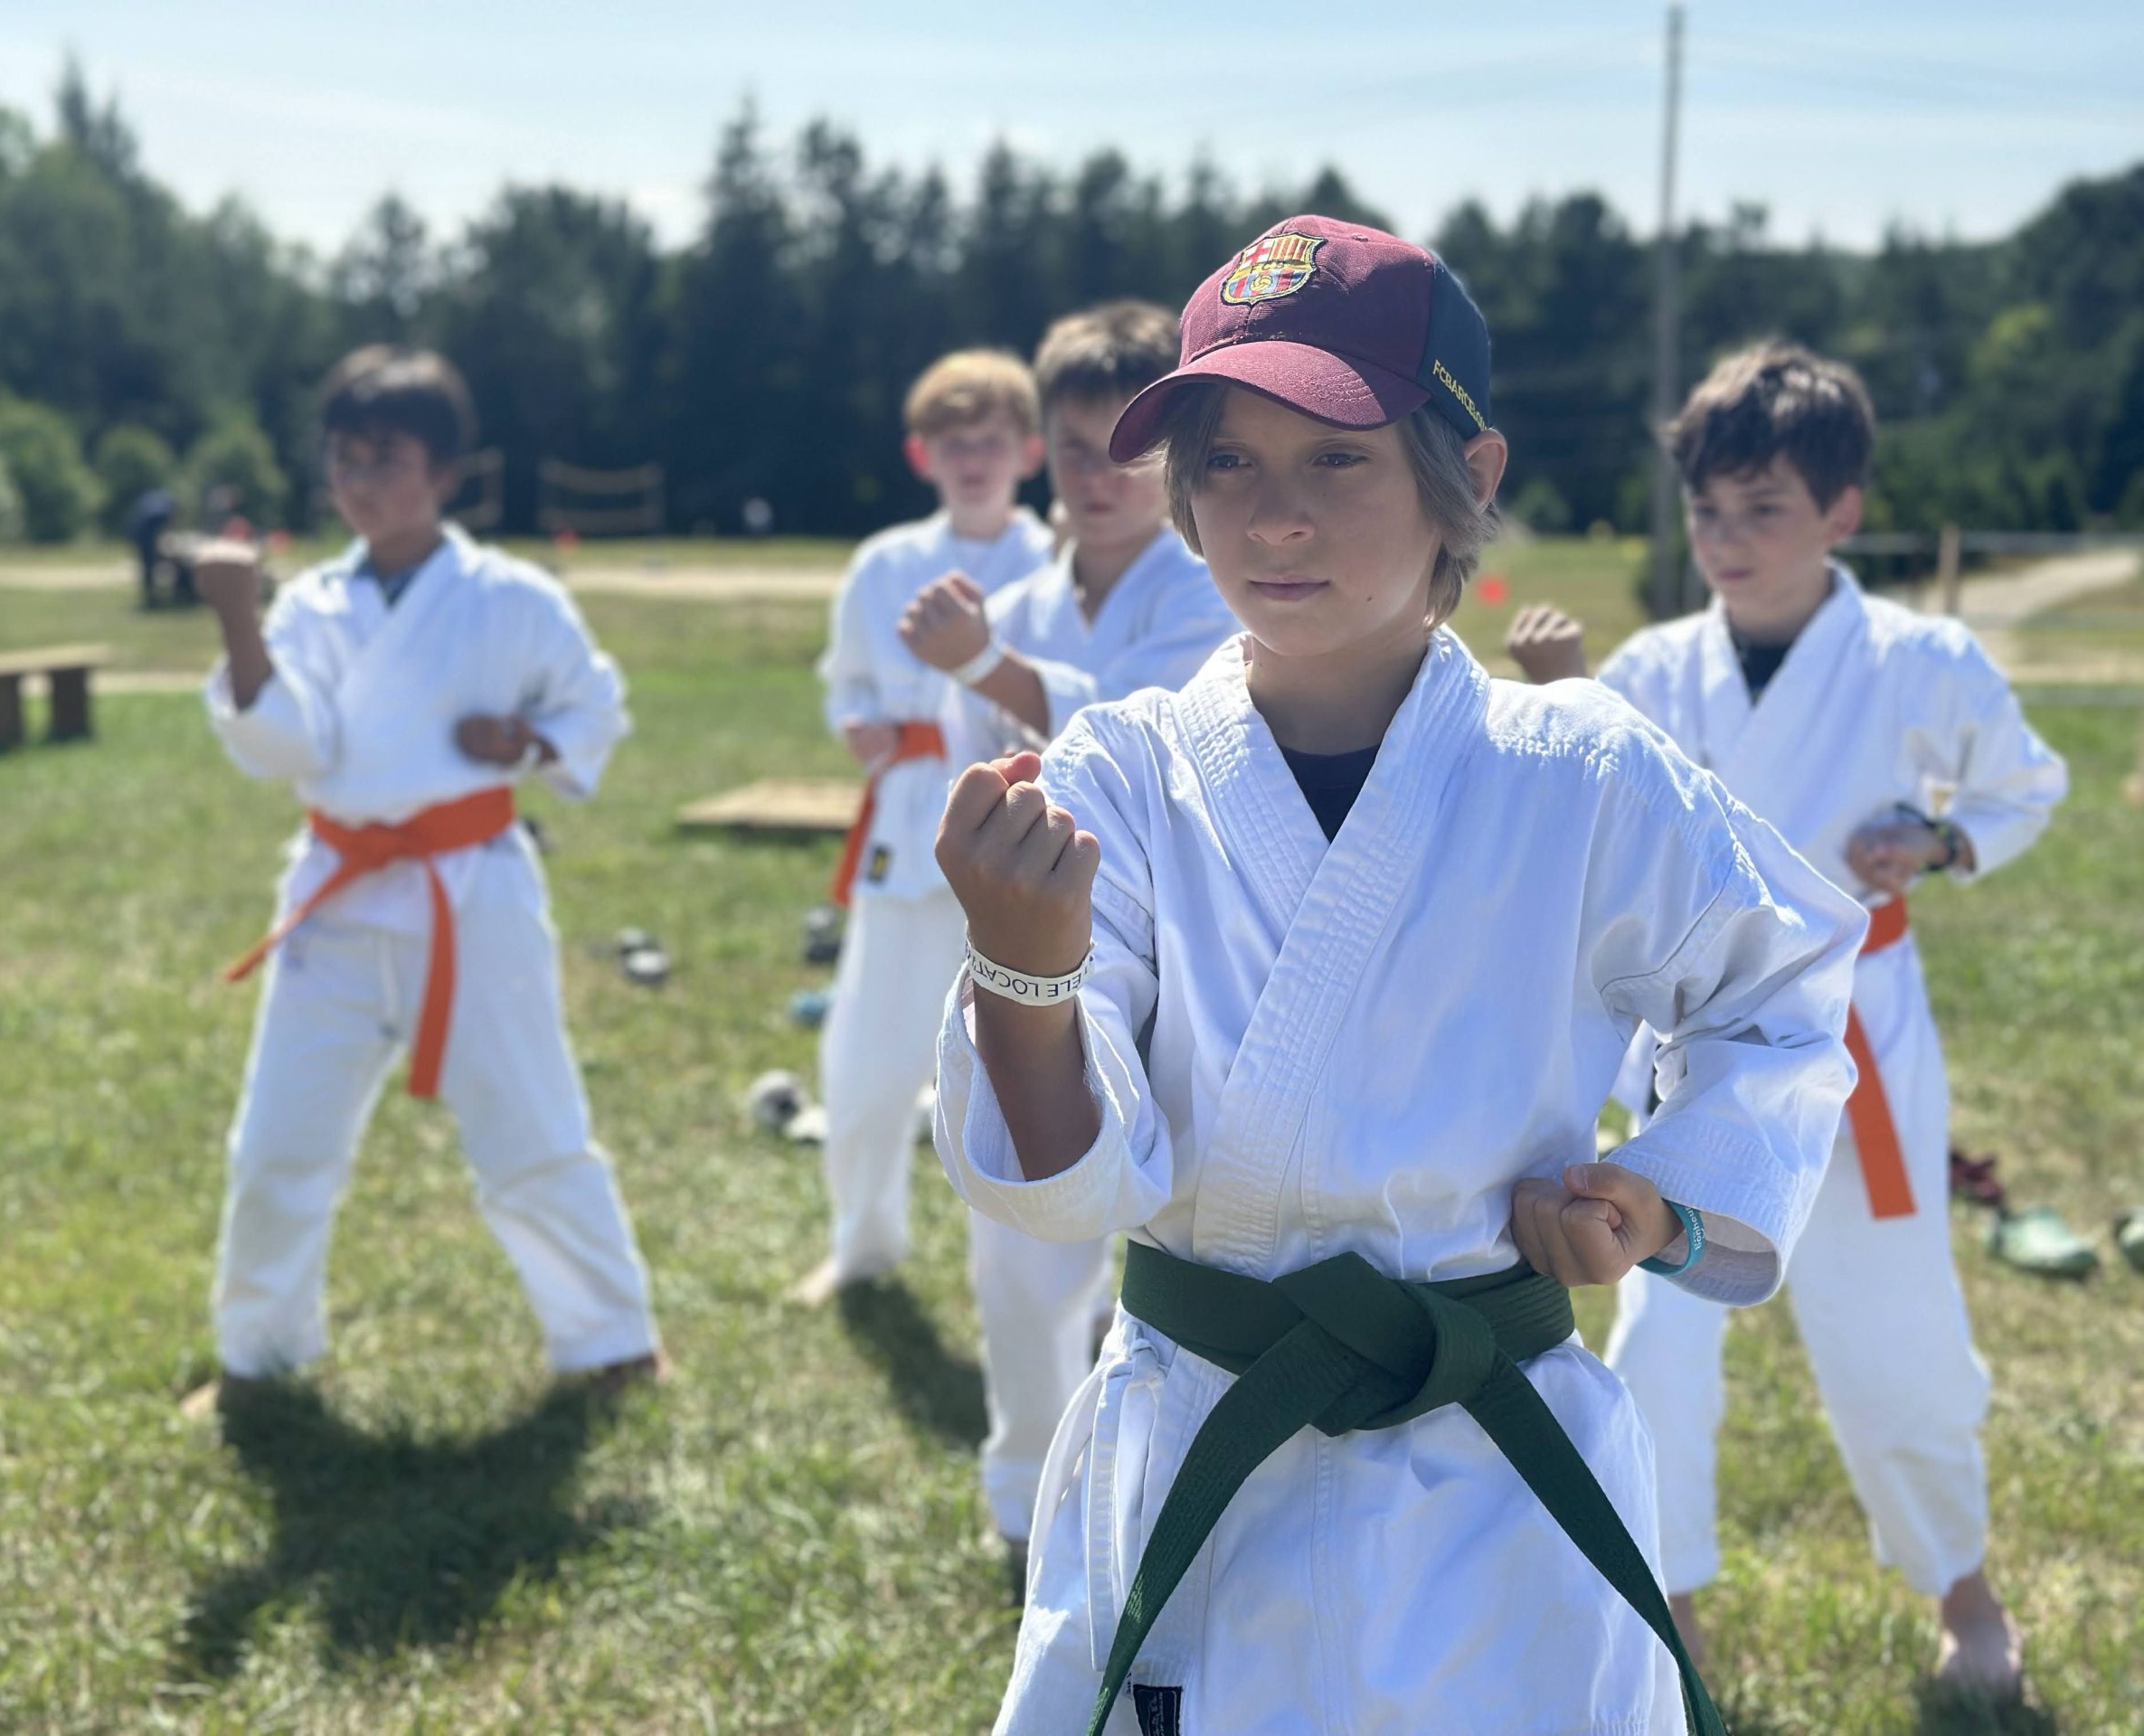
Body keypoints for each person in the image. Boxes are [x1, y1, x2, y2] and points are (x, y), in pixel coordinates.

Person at [932, 216, 1867, 1736]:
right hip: (1209, 1438)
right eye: (1226, 463)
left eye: (1337, 458)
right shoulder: (1123, 775)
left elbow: (1785, 991)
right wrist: (1019, 974)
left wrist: (1661, 1198)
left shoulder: (1582, 771)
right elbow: (1061, 1190)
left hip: (1492, 1462)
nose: (1273, 517)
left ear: (1468, 475)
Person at [1507, 341, 2069, 1694]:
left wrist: (1936, 838)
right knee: (1658, 1340)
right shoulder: (1654, 667)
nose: (1727, 538)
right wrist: (1569, 701)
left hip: (1860, 1036)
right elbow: (1595, 819)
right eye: (1706, 510)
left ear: (1842, 512)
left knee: (1895, 1322)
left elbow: (2027, 784)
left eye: (1763, 508)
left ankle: (1963, 1588)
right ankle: (1666, 1607)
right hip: (1692, 1046)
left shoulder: (1918, 658)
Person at [183, 345, 661, 1416]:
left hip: (472, 889)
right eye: (343, 458)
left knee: (532, 1125)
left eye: (386, 459)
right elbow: (288, 745)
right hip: (339, 891)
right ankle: (257, 1353)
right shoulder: (308, 604)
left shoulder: (515, 598)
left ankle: (611, 1340)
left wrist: (525, 740)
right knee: (276, 1142)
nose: (359, 481)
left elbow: (594, 707)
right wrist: (237, 621)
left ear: (446, 473)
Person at [899, 300, 1237, 1561]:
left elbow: (1145, 720)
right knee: (1019, 1244)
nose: (1098, 478)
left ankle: (1182, 1498)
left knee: (1190, 1233)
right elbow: (974, 765)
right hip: (1031, 949)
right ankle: (1028, 1501)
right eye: (1077, 449)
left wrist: (985, 665)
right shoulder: (1022, 599)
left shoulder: (1210, 588)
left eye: (1127, 452)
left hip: (1188, 949)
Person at [796, 351, 1053, 1305]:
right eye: (954, 446)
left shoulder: (1056, 561)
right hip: (906, 841)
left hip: (1025, 842)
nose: (973, 462)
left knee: (1045, 1076)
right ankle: (862, 1243)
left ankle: (1057, 1280)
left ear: (1027, 452)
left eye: (990, 442)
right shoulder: (883, 563)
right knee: (865, 1065)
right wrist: (860, 729)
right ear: (921, 456)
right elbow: (847, 681)